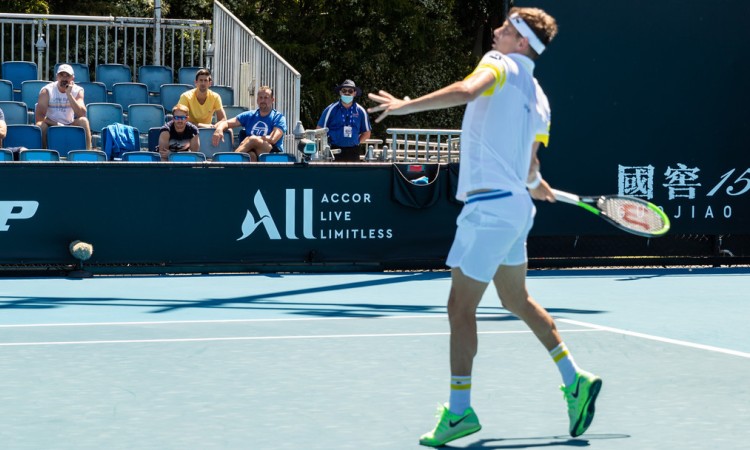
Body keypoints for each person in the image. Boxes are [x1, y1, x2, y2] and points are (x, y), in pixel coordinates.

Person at [368, 7, 601, 447]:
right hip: (513, 209)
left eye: (506, 28)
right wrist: (537, 185)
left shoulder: (498, 63)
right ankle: (575, 379)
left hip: (489, 209)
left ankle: (459, 412)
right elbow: (531, 169)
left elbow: (466, 90)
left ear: (521, 41)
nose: (496, 31)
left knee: (460, 307)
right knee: (516, 298)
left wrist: (406, 106)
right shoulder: (540, 97)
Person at [212, 86, 286, 162]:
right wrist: (219, 129)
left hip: (272, 153)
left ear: (272, 100)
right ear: (257, 100)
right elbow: (227, 123)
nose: (263, 100)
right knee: (251, 156)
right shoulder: (250, 115)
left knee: (252, 139)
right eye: (260, 98)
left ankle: (229, 163)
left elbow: (272, 139)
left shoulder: (278, 117)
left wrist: (252, 139)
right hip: (253, 151)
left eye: (266, 98)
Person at [35, 64, 92, 149]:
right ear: (57, 77)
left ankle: (88, 154)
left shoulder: (78, 90)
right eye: (61, 75)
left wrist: (69, 94)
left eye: (67, 76)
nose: (64, 79)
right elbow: (39, 117)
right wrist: (57, 124)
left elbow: (82, 114)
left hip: (70, 123)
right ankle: (43, 156)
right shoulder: (46, 91)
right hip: (51, 124)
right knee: (40, 125)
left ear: (72, 78)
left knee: (84, 121)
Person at [317, 79, 372, 162]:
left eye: (350, 91)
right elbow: (319, 130)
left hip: (353, 151)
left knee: (353, 175)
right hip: (334, 151)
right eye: (344, 90)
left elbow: (367, 133)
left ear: (355, 93)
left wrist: (356, 142)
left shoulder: (361, 111)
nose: (347, 93)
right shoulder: (330, 109)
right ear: (340, 92)